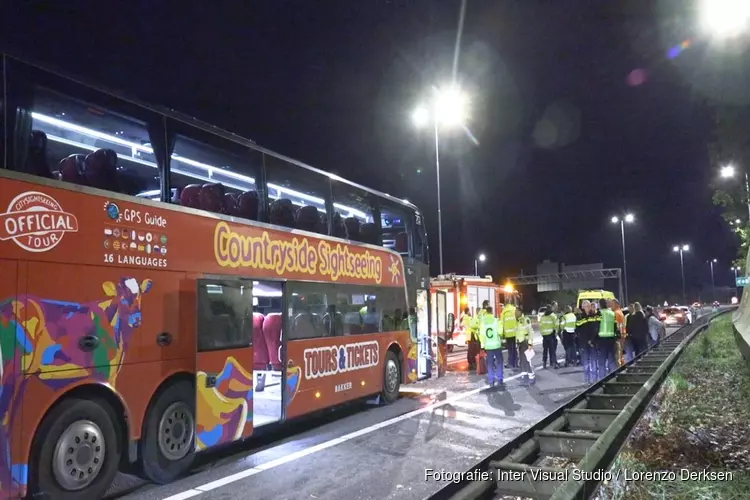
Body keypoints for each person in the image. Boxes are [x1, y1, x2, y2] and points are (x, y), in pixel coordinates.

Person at [479, 305, 504, 388]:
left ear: (486, 312)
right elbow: (500, 332)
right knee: (499, 362)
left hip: (488, 346)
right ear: (492, 311)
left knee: (490, 364)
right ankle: (500, 379)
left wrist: (482, 346)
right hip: (496, 345)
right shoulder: (496, 321)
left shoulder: (483, 322)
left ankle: (491, 381)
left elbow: (481, 335)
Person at [576, 300, 598, 384]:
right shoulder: (580, 317)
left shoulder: (594, 316)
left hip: (593, 342)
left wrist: (592, 340)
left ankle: (595, 381)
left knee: (593, 362)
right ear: (583, 307)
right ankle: (587, 380)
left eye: (589, 306)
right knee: (586, 363)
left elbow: (596, 329)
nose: (588, 307)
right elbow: (578, 331)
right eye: (586, 306)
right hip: (584, 343)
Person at [596, 298, 617, 379]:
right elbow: (615, 327)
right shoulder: (612, 313)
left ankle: (602, 380)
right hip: (611, 339)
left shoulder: (599, 313)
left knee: (601, 362)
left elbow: (596, 327)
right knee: (612, 360)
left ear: (600, 305)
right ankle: (614, 378)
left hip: (601, 340)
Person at [515, 308, 536, 385]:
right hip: (520, 343)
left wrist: (530, 343)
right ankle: (524, 377)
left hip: (525, 342)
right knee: (522, 361)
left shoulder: (525, 320)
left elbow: (530, 332)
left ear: (520, 312)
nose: (515, 313)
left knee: (527, 360)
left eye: (516, 312)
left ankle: (531, 377)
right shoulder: (517, 321)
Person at [502, 302, 518, 370]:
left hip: (507, 334)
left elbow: (502, 323)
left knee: (510, 349)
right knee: (514, 348)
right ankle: (516, 363)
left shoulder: (504, 312)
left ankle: (511, 363)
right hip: (515, 333)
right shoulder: (514, 310)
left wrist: (502, 334)